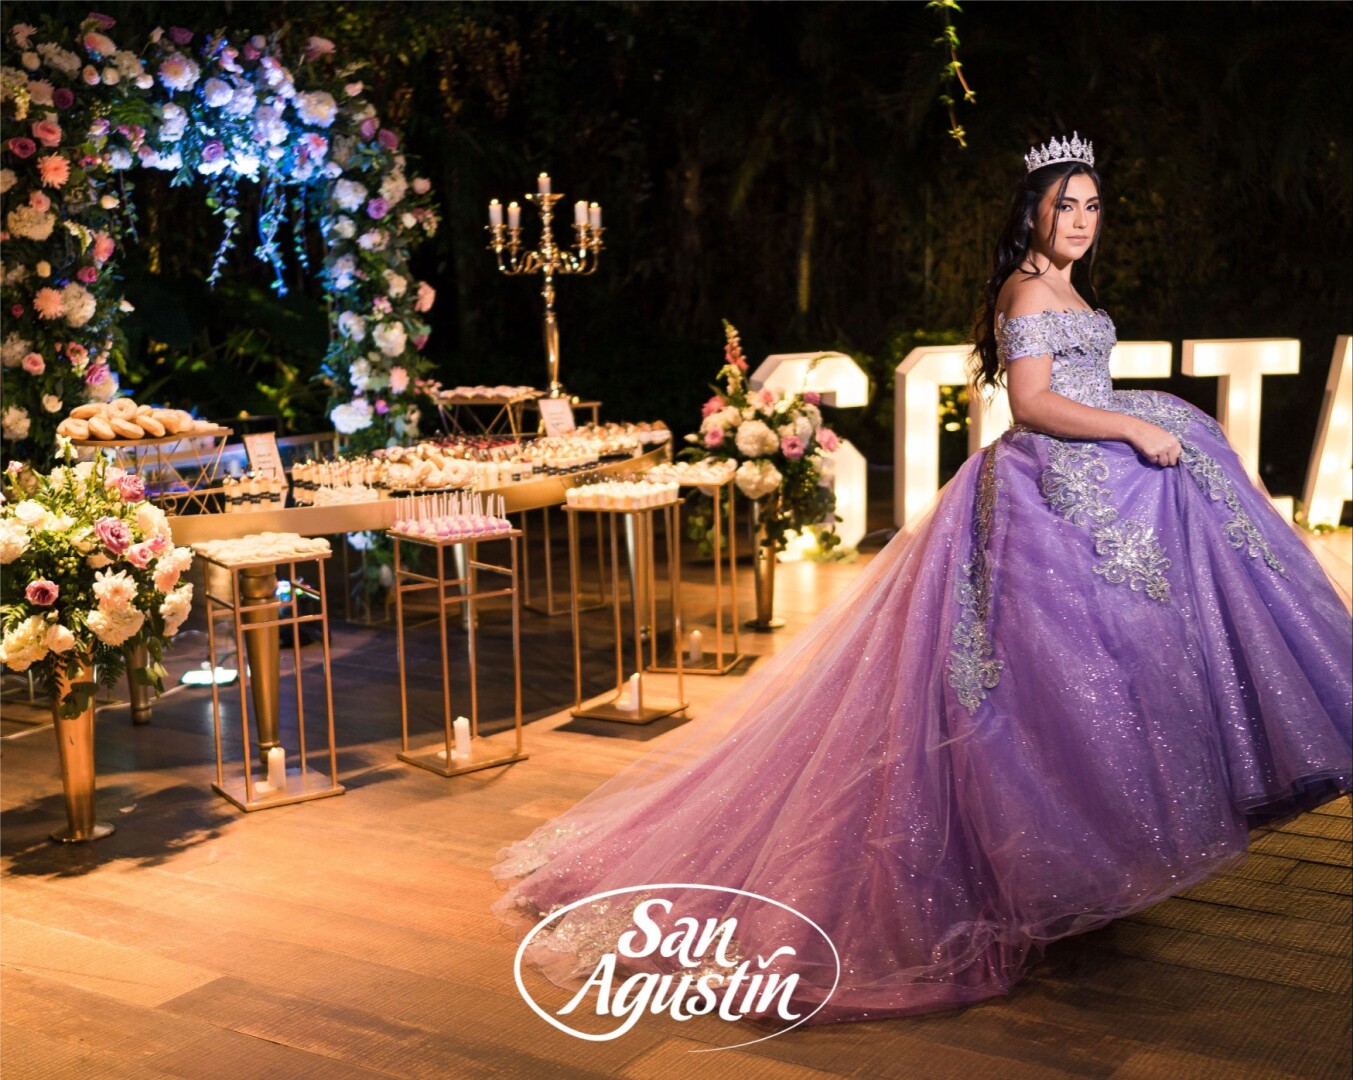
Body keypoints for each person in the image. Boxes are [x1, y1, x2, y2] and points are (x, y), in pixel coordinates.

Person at [492, 135, 1353, 1025]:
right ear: (1032, 213)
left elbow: (1076, 382)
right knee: (1040, 687)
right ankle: (1028, 865)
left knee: (1097, 670)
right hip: (1043, 493)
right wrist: (1131, 427)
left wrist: (1140, 417)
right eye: (1065, 205)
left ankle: (1084, 849)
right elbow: (1033, 402)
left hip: (1081, 486)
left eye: (1092, 206)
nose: (1081, 222)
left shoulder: (1064, 285)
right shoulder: (1029, 287)